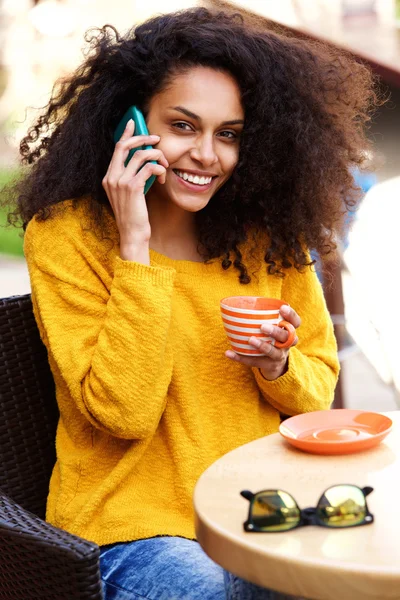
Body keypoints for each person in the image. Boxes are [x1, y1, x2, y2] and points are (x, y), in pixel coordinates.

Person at [5, 7, 378, 599]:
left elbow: (315, 392)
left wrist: (277, 365)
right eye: (183, 126)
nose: (207, 155)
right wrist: (136, 246)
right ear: (129, 122)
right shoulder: (68, 235)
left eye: (228, 134)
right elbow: (122, 414)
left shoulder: (266, 240)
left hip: (257, 512)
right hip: (131, 528)